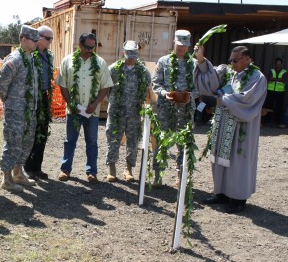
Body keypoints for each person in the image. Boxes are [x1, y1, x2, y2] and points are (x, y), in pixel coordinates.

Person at [194, 45, 267, 213]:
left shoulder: (257, 77)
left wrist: (224, 98)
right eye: (230, 60)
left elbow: (248, 99)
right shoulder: (229, 73)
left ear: (248, 59)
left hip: (242, 126)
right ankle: (222, 192)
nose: (232, 63)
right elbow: (211, 82)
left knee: (238, 160)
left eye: (236, 60)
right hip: (224, 122)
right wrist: (201, 60)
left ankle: (238, 198)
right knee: (220, 156)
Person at [57, 33, 113, 183]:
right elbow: (63, 84)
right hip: (73, 110)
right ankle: (65, 169)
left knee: (92, 142)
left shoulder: (100, 63)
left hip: (92, 112)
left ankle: (92, 172)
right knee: (70, 140)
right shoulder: (67, 61)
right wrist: (70, 103)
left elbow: (105, 86)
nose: (90, 50)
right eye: (87, 47)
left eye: (93, 47)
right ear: (80, 45)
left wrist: (95, 105)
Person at [0, 25, 41, 192]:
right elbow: (1, 84)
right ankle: (6, 179)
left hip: (29, 110)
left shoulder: (31, 59)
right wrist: (9, 102)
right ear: (23, 39)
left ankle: (18, 173)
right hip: (16, 110)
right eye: (33, 39)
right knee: (13, 143)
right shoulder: (14, 59)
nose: (37, 42)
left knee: (26, 142)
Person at [151, 29, 198, 187]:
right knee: (162, 141)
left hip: (185, 110)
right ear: (174, 43)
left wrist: (190, 96)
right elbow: (156, 84)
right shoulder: (164, 61)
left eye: (185, 46)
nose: (182, 49)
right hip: (166, 109)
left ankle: (181, 176)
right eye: (179, 45)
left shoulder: (194, 63)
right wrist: (165, 94)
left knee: (184, 143)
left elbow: (200, 88)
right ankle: (158, 175)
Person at [105, 41, 151, 182]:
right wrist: (115, 103)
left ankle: (129, 169)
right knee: (113, 138)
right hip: (116, 111)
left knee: (133, 140)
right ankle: (111, 169)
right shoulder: (113, 69)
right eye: (128, 55)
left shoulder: (143, 72)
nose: (131, 58)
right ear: (123, 53)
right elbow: (107, 90)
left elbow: (146, 90)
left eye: (133, 55)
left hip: (134, 112)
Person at [24, 26, 55, 180]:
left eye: (51, 39)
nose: (50, 42)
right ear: (39, 37)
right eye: (48, 38)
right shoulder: (31, 54)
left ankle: (37, 167)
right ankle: (27, 167)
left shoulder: (49, 55)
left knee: (42, 132)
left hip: (43, 96)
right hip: (31, 97)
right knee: (31, 131)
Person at [264, 58, 287, 124]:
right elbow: (269, 78)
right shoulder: (271, 70)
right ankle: (266, 120)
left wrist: (274, 79)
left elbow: (284, 79)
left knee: (279, 106)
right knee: (268, 106)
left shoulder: (284, 71)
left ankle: (278, 121)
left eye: (279, 64)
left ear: (281, 64)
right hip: (271, 90)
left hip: (280, 91)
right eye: (277, 64)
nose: (278, 65)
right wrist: (279, 79)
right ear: (275, 64)